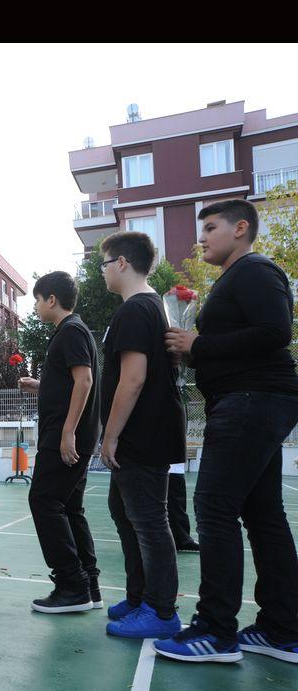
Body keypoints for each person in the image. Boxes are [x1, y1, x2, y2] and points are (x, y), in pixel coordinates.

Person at [156, 199, 298, 664]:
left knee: (214, 507)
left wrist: (199, 344)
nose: (201, 238)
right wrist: (193, 349)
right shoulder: (234, 278)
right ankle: (282, 629)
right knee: (264, 514)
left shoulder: (255, 270)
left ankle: (216, 631)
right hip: (253, 400)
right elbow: (240, 340)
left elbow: (275, 332)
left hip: (251, 400)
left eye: (210, 228)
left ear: (240, 228)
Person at [98, 231, 185, 640]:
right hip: (147, 431)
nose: (102, 272)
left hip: (141, 434)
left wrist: (110, 436)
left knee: (148, 521)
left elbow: (132, 379)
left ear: (121, 263)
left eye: (103, 264)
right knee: (125, 512)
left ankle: (161, 611)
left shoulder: (135, 310)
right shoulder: (153, 307)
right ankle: (140, 598)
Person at [17, 271, 102, 614]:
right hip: (70, 432)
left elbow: (85, 381)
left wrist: (68, 432)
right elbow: (72, 381)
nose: (36, 306)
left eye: (37, 300)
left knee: (44, 500)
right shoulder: (71, 331)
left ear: (51, 299)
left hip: (64, 436)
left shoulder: (70, 331)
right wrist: (42, 386)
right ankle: (89, 584)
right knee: (69, 507)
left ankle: (71, 585)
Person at [167, 463, 200, 553]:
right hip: (171, 468)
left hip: (171, 468)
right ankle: (180, 538)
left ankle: (179, 538)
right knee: (174, 503)